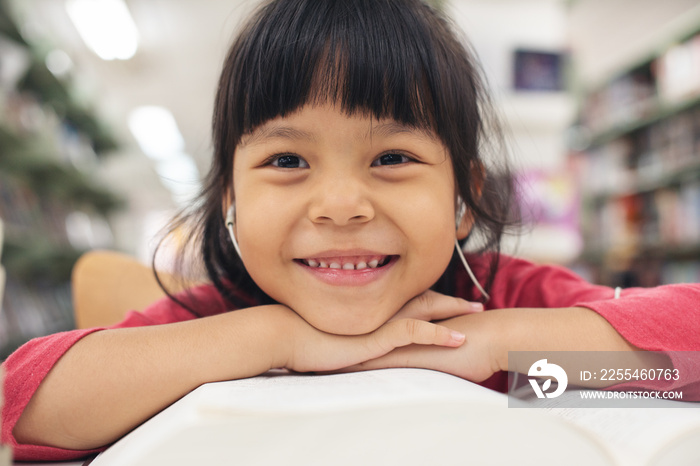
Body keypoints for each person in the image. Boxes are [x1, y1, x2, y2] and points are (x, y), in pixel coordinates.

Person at [3, 0, 699, 461]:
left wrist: (488, 350)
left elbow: (676, 371)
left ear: (464, 200)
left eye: (393, 158)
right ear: (229, 201)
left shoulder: (499, 299)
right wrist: (275, 340)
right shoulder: (223, 312)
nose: (340, 204)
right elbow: (26, 408)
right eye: (286, 160)